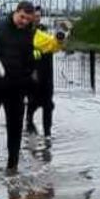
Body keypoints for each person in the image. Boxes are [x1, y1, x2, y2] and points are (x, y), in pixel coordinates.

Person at [0, 1, 62, 171]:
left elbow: (50, 45)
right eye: (22, 17)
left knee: (15, 127)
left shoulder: (33, 34)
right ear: (16, 11)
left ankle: (12, 165)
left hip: (17, 89)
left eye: (28, 19)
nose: (24, 22)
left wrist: (59, 39)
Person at [25, 8, 68, 137]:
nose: (37, 18)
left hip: (47, 74)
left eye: (39, 16)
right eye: (35, 16)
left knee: (48, 104)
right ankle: (29, 122)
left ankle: (47, 134)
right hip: (33, 74)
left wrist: (62, 35)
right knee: (32, 102)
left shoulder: (47, 31)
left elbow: (57, 44)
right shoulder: (27, 33)